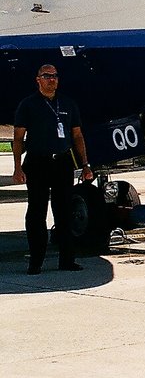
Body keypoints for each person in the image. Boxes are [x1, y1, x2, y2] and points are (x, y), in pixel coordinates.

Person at [11, 64, 94, 274]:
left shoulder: (68, 104)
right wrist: (17, 167)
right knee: (36, 213)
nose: (52, 80)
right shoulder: (28, 105)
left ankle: (67, 260)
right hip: (38, 163)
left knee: (64, 212)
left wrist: (85, 165)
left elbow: (77, 136)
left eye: (55, 76)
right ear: (38, 79)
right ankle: (36, 261)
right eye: (47, 76)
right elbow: (18, 138)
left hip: (62, 163)